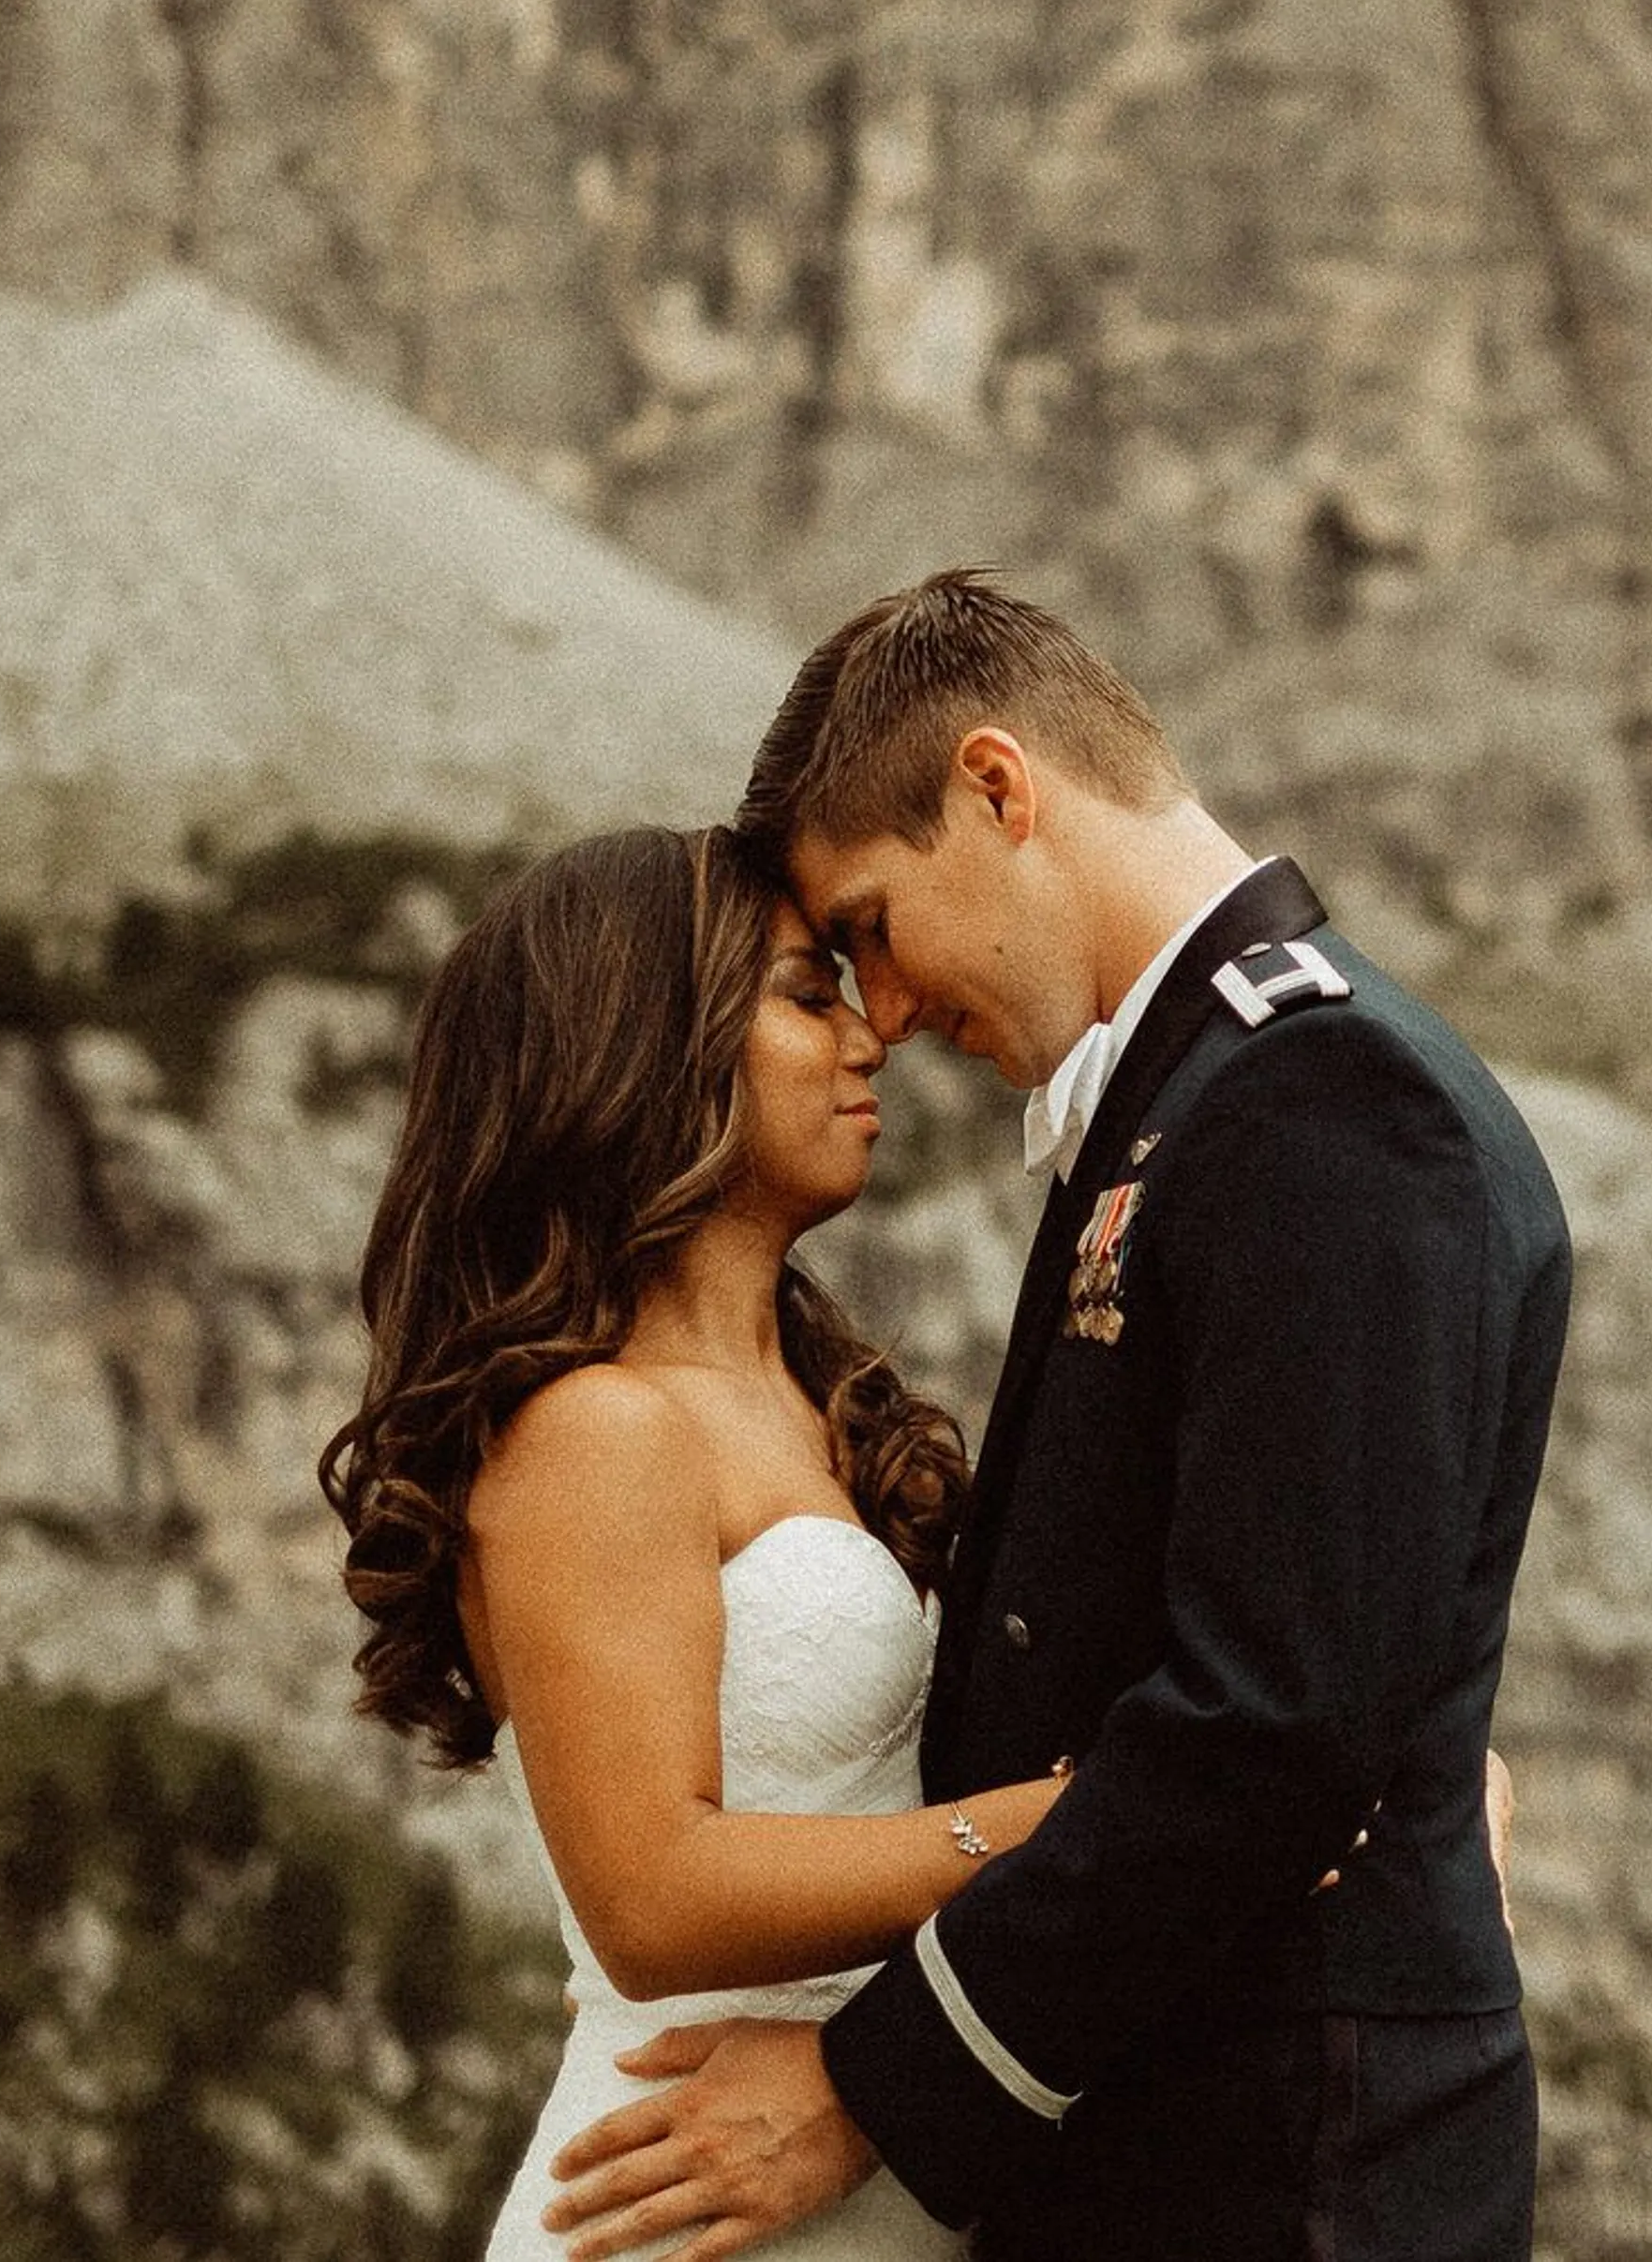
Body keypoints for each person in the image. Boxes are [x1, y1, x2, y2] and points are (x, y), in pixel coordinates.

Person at [541, 570, 1570, 2260]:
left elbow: (1278, 1717)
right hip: (1175, 2140)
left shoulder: (1325, 1099)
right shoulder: (1197, 1098)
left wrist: (876, 2087)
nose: (881, 1012)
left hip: (1285, 2167)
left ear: (999, 790)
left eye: (869, 926)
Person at [320, 824, 1074, 2261]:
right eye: (805, 994)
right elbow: (653, 1900)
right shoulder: (596, 1429)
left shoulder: (821, 1405)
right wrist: (1064, 1832)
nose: (871, 1036)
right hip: (671, 2205)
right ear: (644, 1049)